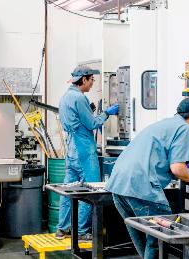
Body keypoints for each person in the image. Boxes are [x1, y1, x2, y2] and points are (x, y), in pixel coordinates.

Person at [105, 97, 189, 258]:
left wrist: (188, 163)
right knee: (159, 241)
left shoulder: (165, 124)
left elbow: (163, 157)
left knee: (144, 240)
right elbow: (177, 169)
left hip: (119, 186)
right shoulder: (186, 129)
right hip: (142, 188)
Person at [56, 66, 119, 241]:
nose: (92, 84)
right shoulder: (79, 98)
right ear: (83, 79)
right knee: (90, 190)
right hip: (83, 148)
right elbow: (92, 124)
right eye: (91, 80)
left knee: (69, 190)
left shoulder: (65, 97)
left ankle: (62, 228)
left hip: (71, 148)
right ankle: (82, 231)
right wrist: (107, 113)